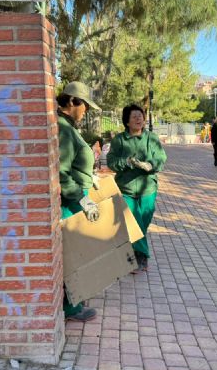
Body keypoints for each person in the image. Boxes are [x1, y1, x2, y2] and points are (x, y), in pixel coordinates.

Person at [57, 81, 101, 322]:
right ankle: (69, 307)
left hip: (77, 196)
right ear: (72, 101)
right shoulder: (63, 129)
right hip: (72, 201)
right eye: (84, 105)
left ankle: (74, 299)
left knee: (76, 252)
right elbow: (60, 174)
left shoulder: (67, 127)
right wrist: (82, 198)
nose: (86, 110)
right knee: (72, 255)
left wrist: (89, 177)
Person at [107, 104, 167, 272]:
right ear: (127, 121)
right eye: (134, 116)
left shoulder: (151, 138)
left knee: (143, 222)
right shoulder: (119, 140)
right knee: (133, 221)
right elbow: (111, 161)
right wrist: (125, 162)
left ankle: (135, 250)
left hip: (148, 188)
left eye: (140, 116)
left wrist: (151, 164)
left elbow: (161, 157)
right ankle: (141, 257)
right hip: (126, 189)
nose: (139, 119)